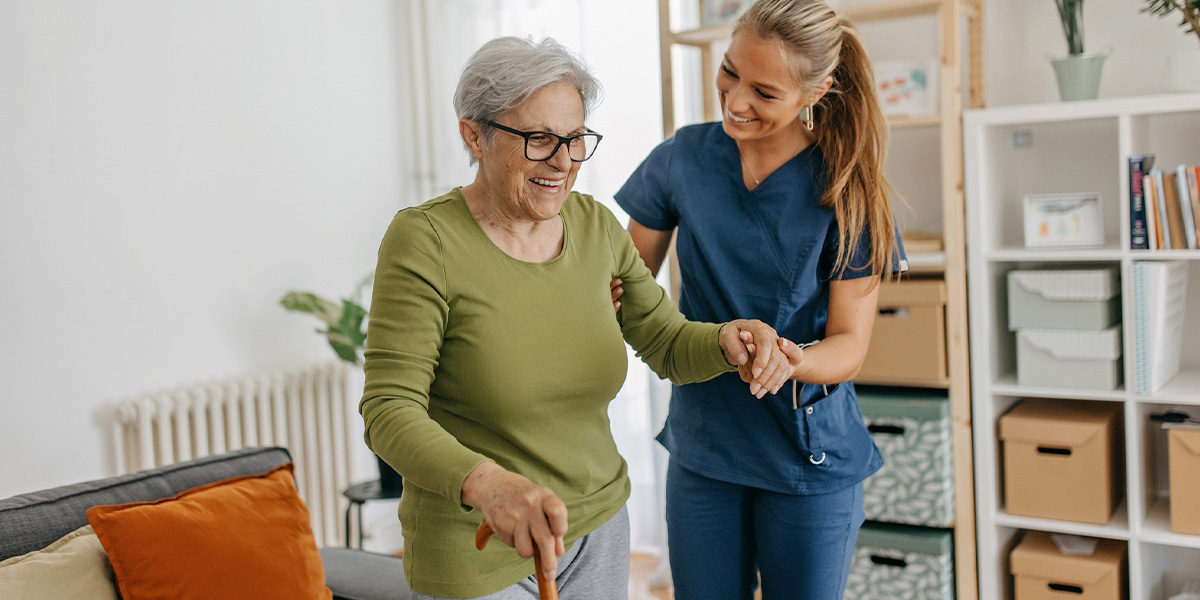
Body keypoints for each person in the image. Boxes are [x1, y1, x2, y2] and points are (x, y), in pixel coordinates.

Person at [360, 36, 794, 600]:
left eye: (574, 139)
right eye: (539, 139)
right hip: (479, 541)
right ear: (474, 135)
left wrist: (729, 340)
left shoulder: (594, 225)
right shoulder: (426, 241)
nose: (564, 163)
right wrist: (489, 486)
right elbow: (389, 410)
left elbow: (663, 341)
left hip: (598, 526)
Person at [612, 1, 908, 598]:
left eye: (764, 92)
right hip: (704, 447)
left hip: (805, 456)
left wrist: (793, 359)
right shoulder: (683, 160)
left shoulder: (848, 188)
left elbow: (850, 345)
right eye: (729, 72)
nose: (736, 100)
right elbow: (624, 288)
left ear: (816, 92)